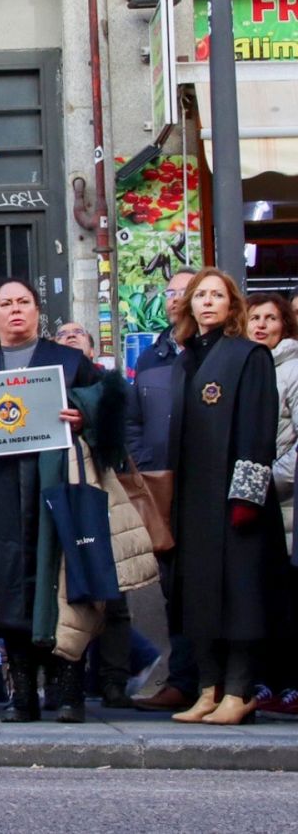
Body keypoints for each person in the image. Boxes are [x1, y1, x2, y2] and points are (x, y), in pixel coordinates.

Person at [0, 278, 104, 723]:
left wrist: (84, 415)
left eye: (24, 303)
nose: (15, 310)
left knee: (64, 585)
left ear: (37, 312)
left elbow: (110, 413)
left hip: (57, 488)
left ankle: (69, 692)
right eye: (5, 304)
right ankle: (23, 693)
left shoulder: (70, 362)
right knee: (8, 587)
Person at [167, 269, 286, 725]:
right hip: (193, 500)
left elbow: (260, 433)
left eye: (218, 295)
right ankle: (208, 689)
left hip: (236, 502)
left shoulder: (247, 355)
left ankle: (239, 691)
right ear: (190, 305)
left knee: (240, 598)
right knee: (199, 597)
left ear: (232, 304)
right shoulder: (186, 359)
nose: (208, 302)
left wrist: (248, 498)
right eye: (201, 295)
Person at [127, 268, 201, 712]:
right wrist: (148, 467)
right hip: (160, 486)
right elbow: (134, 418)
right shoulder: (154, 355)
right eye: (171, 291)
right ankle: (182, 678)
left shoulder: (214, 353)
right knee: (172, 585)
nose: (177, 299)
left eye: (187, 292)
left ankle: (216, 682)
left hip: (205, 485)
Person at [248, 292, 298, 715]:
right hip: (254, 507)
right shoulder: (246, 367)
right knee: (259, 599)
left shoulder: (293, 369)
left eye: (271, 317)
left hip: (283, 505)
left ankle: (290, 685)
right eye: (254, 317)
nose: (262, 325)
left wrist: (263, 483)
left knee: (288, 602)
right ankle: (264, 681)